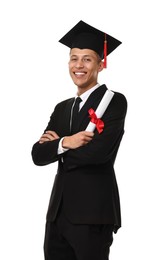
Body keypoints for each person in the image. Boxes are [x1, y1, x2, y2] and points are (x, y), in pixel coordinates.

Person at [31, 20, 127, 260]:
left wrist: (56, 148)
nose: (79, 65)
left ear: (101, 64)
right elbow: (37, 155)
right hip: (57, 214)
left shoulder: (113, 101)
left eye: (87, 58)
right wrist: (67, 142)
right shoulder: (62, 108)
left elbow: (98, 154)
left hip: (93, 214)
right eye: (74, 58)